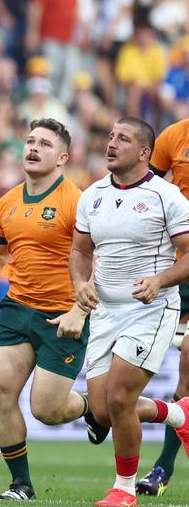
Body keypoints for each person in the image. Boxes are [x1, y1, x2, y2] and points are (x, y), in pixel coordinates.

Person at [0, 118, 90, 499]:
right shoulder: (9, 201)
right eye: (30, 141)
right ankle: (21, 485)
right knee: (0, 392)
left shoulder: (76, 202)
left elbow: (97, 261)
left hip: (62, 314)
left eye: (45, 144)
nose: (33, 148)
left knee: (48, 410)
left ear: (62, 157)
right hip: (16, 308)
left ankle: (91, 408)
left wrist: (80, 310)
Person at [72, 117, 189, 507]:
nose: (111, 143)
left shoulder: (167, 196)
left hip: (150, 309)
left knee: (121, 397)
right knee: (104, 411)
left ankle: (123, 489)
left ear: (144, 152)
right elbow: (80, 251)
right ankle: (177, 414)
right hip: (105, 311)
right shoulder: (92, 195)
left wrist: (161, 280)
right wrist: (81, 283)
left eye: (123, 139)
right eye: (109, 136)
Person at [139, 117, 189, 496]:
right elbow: (147, 189)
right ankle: (163, 468)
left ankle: (162, 466)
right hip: (181, 264)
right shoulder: (175, 135)